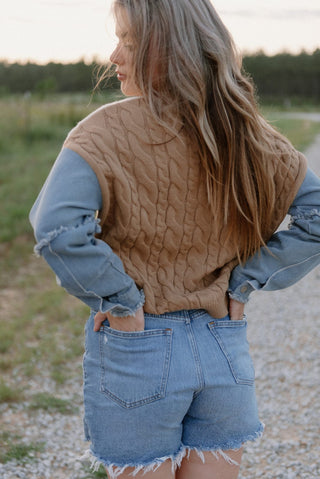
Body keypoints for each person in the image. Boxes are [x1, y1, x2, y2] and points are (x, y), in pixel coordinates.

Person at [29, 1, 320, 478]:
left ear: (163, 47)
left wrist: (121, 301)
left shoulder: (103, 132)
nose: (113, 56)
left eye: (127, 40)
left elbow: (56, 229)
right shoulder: (248, 132)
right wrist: (242, 284)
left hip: (137, 345)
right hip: (223, 344)